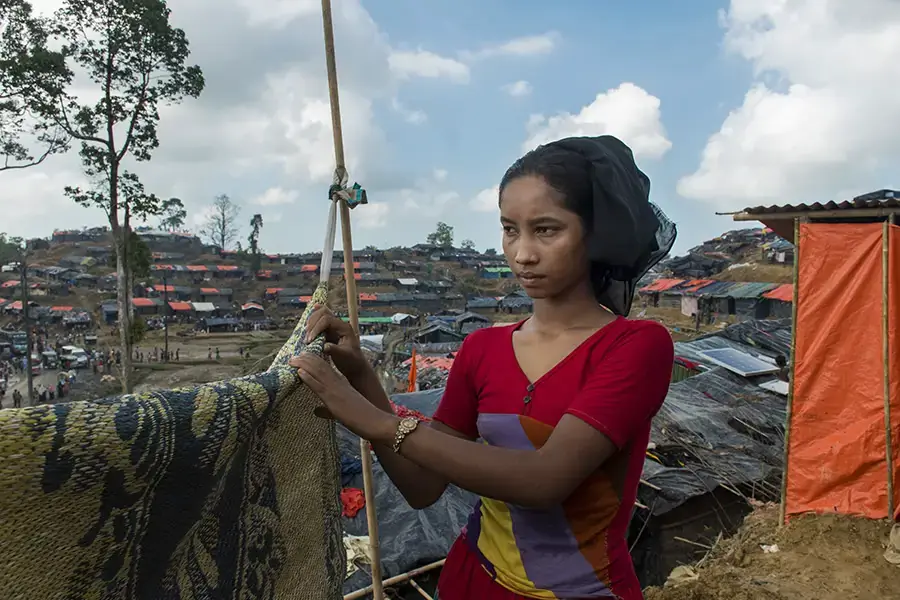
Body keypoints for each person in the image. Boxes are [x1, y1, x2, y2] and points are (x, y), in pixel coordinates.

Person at [291, 136, 676, 600]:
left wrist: (373, 419)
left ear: (596, 234)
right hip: (473, 581)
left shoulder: (635, 347)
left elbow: (545, 480)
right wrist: (362, 378)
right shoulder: (482, 347)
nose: (522, 253)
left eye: (547, 230)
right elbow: (422, 487)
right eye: (510, 229)